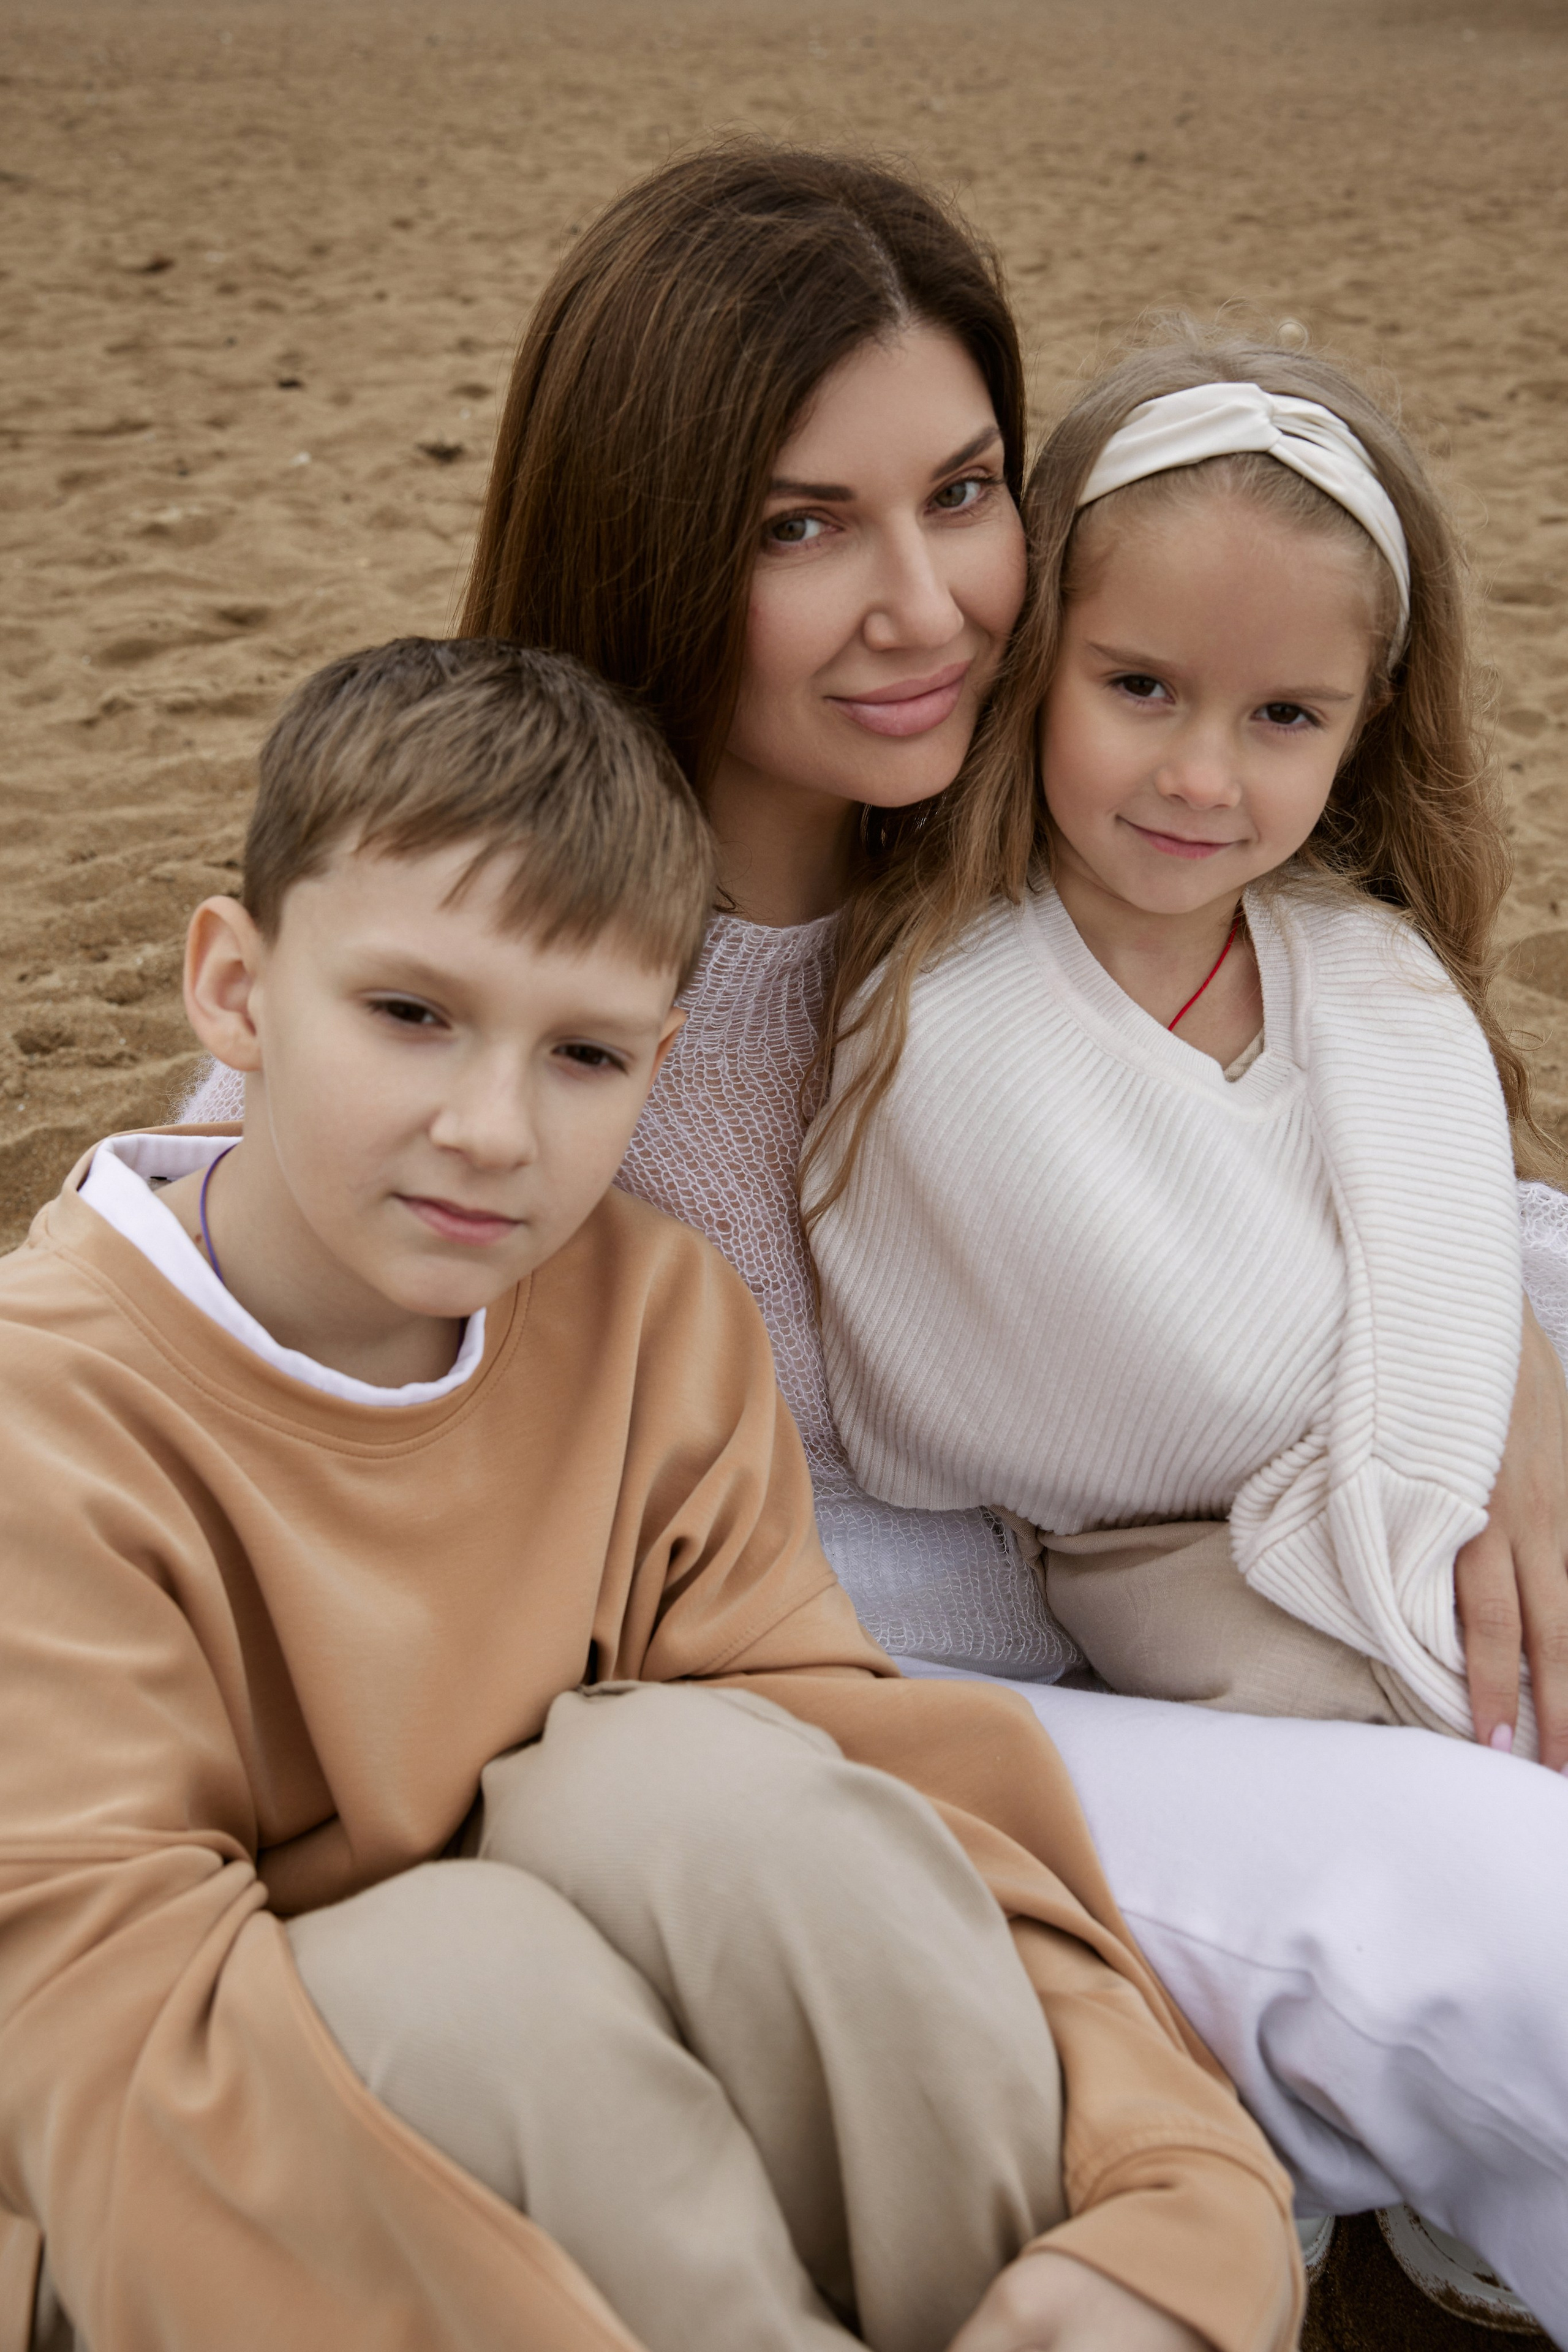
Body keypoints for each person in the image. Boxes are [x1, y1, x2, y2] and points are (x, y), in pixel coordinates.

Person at [184, 143, 1568, 2334]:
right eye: (801, 527)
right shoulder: (519, 960)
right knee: (1521, 1924)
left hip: (1169, 1620)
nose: (927, 606)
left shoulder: (1054, 848)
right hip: (857, 1733)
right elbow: (214, 1266)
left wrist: (1512, 1381)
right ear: (652, 536)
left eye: (965, 493)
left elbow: (1348, 1123)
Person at [0, 637, 1302, 2352]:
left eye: (584, 1056)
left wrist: (1166, 2204)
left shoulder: (652, 1315)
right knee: (459, 1977)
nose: (491, 1129)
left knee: (707, 1792)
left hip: (597, 2070)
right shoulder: (46, 1414)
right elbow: (96, 2038)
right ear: (236, 988)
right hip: (207, 2191)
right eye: (410, 1016)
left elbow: (868, 1783)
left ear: (659, 1060)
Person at [805, 328, 1567, 1764]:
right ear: (1040, 657)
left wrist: (1496, 1362)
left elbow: (1467, 1221)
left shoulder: (1361, 964)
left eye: (1282, 716)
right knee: (1390, 1737)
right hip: (1168, 1561)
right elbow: (1136, 1394)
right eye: (1138, 687)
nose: (1202, 777)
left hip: (1416, 1476)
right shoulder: (943, 1006)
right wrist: (1474, 1380)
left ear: (1362, 721)